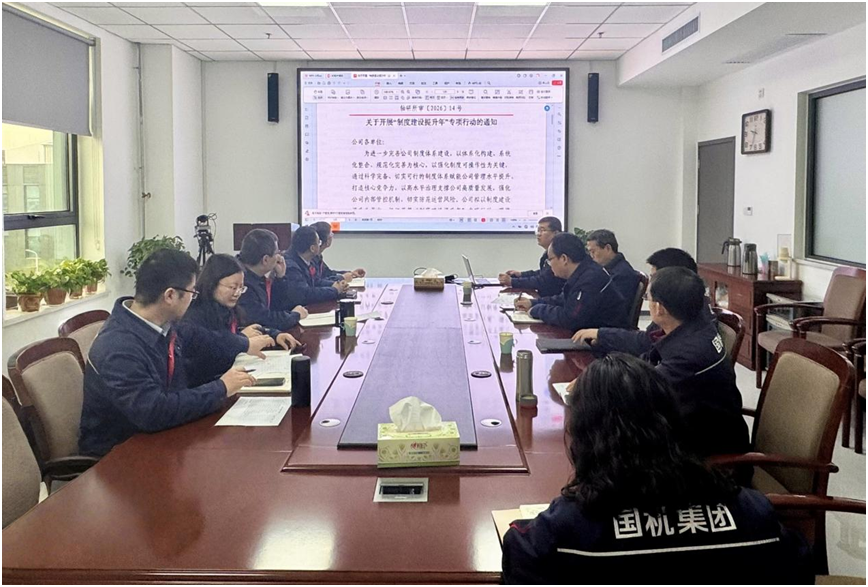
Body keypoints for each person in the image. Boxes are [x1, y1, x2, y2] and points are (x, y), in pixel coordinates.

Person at [502, 354, 811, 585]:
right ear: (672, 421)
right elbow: (796, 566)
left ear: (586, 437)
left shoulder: (568, 528)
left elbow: (519, 554)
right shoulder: (752, 514)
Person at [80, 249, 258, 457]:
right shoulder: (118, 348)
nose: (193, 299)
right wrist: (220, 388)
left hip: (163, 438)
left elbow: (202, 340)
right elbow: (154, 411)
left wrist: (242, 346)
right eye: (192, 293)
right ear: (170, 295)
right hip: (119, 456)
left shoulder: (161, 325)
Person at [573, 267, 749, 457]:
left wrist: (597, 383)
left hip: (707, 451)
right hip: (689, 422)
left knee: (606, 442)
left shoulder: (689, 353)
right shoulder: (693, 326)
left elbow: (645, 388)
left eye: (647, 298)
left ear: (659, 308)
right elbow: (648, 358)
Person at [184, 254, 302, 385]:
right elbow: (215, 345)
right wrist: (243, 340)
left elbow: (246, 330)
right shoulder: (196, 315)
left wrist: (275, 335)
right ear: (212, 284)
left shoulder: (227, 308)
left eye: (241, 288)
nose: (237, 293)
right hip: (211, 383)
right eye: (233, 287)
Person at [573, 246, 706, 356]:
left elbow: (653, 372)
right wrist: (601, 335)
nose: (650, 288)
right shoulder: (679, 314)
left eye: (654, 278)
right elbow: (644, 341)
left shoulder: (689, 345)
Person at [514, 232, 627, 331]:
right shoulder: (583, 271)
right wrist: (533, 303)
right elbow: (563, 299)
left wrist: (537, 310)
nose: (550, 265)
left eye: (550, 259)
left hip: (601, 342)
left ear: (564, 259)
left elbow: (570, 319)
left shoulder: (590, 278)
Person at [236, 229, 309, 331]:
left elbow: (278, 306)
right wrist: (295, 315)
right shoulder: (241, 282)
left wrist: (280, 278)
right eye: (277, 253)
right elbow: (264, 320)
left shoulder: (256, 275)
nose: (280, 257)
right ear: (265, 259)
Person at [498, 217, 566, 297]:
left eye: (542, 230)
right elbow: (543, 273)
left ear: (556, 233)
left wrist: (512, 281)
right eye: (538, 231)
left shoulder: (559, 253)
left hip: (553, 300)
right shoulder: (548, 253)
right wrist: (520, 274)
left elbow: (543, 281)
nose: (538, 234)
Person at [284, 225, 349, 304]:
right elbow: (305, 294)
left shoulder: (306, 260)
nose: (320, 245)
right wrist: (334, 290)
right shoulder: (291, 266)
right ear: (312, 248)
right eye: (319, 242)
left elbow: (316, 281)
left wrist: (336, 284)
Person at [585, 229, 640, 310]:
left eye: (593, 251)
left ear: (608, 248)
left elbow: (614, 307)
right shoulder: (605, 270)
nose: (591, 256)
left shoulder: (623, 274)